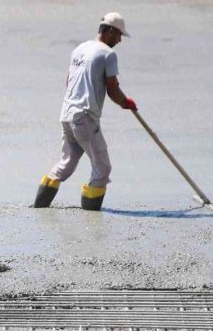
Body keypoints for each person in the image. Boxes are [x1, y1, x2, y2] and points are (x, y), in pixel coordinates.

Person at [33, 12, 138, 211]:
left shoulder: (80, 49)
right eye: (118, 35)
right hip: (84, 116)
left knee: (66, 163)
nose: (119, 40)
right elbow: (112, 89)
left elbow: (68, 81)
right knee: (102, 168)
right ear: (109, 31)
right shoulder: (108, 54)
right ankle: (91, 216)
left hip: (66, 114)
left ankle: (39, 207)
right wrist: (126, 102)